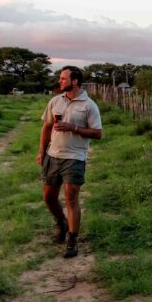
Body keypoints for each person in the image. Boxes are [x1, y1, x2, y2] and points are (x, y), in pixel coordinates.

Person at [37, 66, 103, 258]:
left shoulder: (89, 105)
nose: (60, 81)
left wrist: (73, 127)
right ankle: (62, 223)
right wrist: (42, 152)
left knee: (71, 198)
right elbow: (46, 127)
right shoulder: (55, 101)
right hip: (53, 155)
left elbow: (98, 133)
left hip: (74, 157)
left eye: (63, 79)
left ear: (75, 81)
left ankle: (72, 240)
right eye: (60, 78)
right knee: (48, 198)